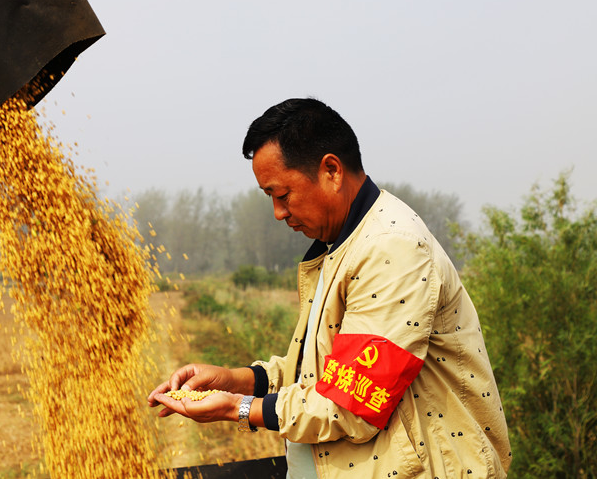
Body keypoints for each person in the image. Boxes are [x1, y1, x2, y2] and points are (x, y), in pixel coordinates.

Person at [148, 98, 512, 478]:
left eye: (282, 195)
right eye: (270, 198)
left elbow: (352, 404)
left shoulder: (391, 247)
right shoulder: (340, 246)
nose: (278, 213)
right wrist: (239, 380)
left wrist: (237, 407)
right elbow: (323, 372)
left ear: (331, 171)